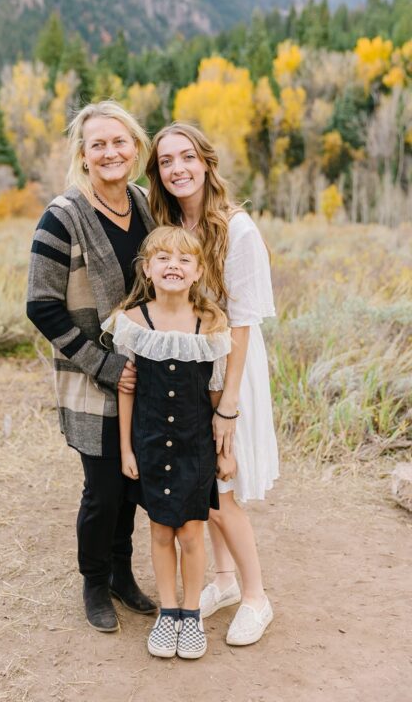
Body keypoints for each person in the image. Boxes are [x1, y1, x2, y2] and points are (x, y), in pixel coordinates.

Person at [26, 101, 158, 633]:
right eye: (98, 144)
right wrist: (104, 364)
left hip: (145, 375)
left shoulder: (145, 204)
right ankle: (93, 582)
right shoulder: (62, 216)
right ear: (83, 154)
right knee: (102, 490)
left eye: (119, 142)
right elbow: (41, 304)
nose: (110, 152)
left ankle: (123, 576)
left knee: (132, 486)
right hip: (94, 377)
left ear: (136, 148)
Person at [146, 122, 279, 646]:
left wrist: (227, 405)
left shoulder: (236, 228)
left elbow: (243, 323)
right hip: (191, 367)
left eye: (186, 157)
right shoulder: (174, 224)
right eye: (165, 161)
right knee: (202, 486)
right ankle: (221, 583)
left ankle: (255, 597)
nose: (177, 168)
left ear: (205, 161)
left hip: (231, 369)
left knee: (220, 489)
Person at [103, 226, 233, 659]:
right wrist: (125, 449)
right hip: (151, 443)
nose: (173, 266)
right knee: (160, 531)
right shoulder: (135, 322)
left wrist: (223, 451)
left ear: (197, 271)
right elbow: (127, 389)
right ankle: (169, 612)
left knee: (193, 533)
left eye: (183, 260)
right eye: (163, 258)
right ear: (147, 268)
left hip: (195, 445)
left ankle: (192, 614)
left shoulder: (211, 324)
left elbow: (216, 396)